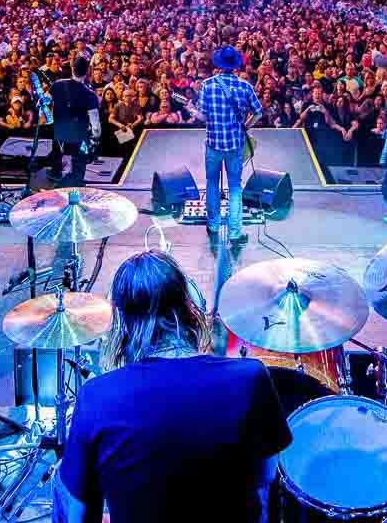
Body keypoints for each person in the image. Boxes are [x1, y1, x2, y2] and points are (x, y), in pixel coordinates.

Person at [55, 251, 291, 523]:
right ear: (189, 307)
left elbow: (81, 516)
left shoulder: (97, 397)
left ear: (122, 324)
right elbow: (266, 479)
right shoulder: (250, 378)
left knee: (65, 481)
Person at [199, 46, 261, 244]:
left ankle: (213, 225)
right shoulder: (245, 87)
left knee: (211, 184)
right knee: (235, 188)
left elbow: (202, 116)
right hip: (235, 145)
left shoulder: (207, 85)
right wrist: (246, 126)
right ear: (235, 66)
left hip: (214, 145)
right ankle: (235, 233)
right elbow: (258, 112)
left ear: (218, 64)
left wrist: (191, 110)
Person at [49, 56, 101, 186]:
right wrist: (96, 138)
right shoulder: (89, 94)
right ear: (88, 71)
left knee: (56, 162)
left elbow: (43, 103)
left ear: (72, 68)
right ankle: (74, 185)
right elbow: (95, 125)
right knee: (78, 166)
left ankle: (55, 178)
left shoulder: (57, 85)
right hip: (79, 135)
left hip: (59, 132)